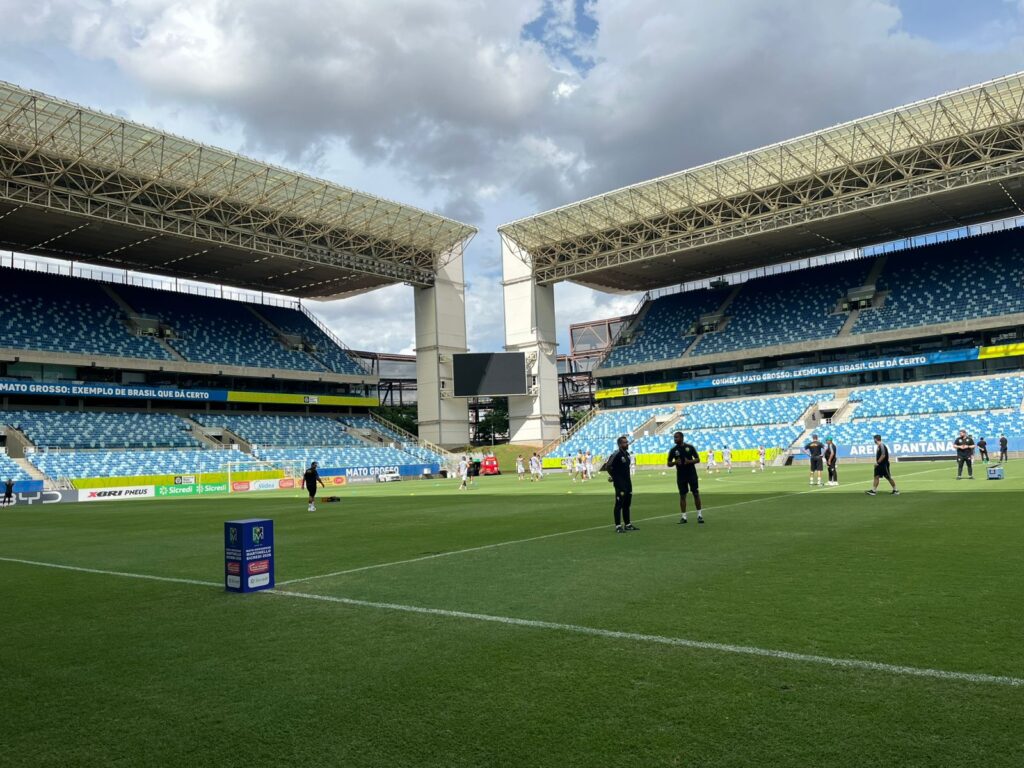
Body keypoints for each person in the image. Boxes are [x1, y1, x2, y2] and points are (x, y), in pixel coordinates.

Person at [600, 435, 637, 533]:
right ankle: (618, 526)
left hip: (628, 483)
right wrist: (615, 477)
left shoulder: (627, 454)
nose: (627, 444)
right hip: (620, 484)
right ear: (620, 444)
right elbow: (607, 466)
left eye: (627, 442)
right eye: (625, 442)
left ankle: (628, 524)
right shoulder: (616, 454)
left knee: (627, 504)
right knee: (619, 504)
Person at [667, 431, 703, 524]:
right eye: (674, 437)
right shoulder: (673, 450)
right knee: (682, 495)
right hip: (681, 475)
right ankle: (684, 517)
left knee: (695, 493)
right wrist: (675, 462)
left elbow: (698, 459)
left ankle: (699, 515)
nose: (675, 439)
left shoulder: (690, 447)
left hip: (691, 474)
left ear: (682, 438)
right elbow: (668, 463)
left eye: (677, 437)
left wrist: (690, 462)